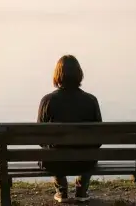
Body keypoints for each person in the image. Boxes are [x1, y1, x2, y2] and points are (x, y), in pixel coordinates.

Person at [37, 55, 103, 203]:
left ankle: (61, 190)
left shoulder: (47, 101)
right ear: (79, 74)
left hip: (56, 162)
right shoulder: (91, 101)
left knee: (48, 152)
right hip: (85, 161)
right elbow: (99, 138)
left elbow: (40, 138)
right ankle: (81, 190)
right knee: (91, 151)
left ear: (57, 75)